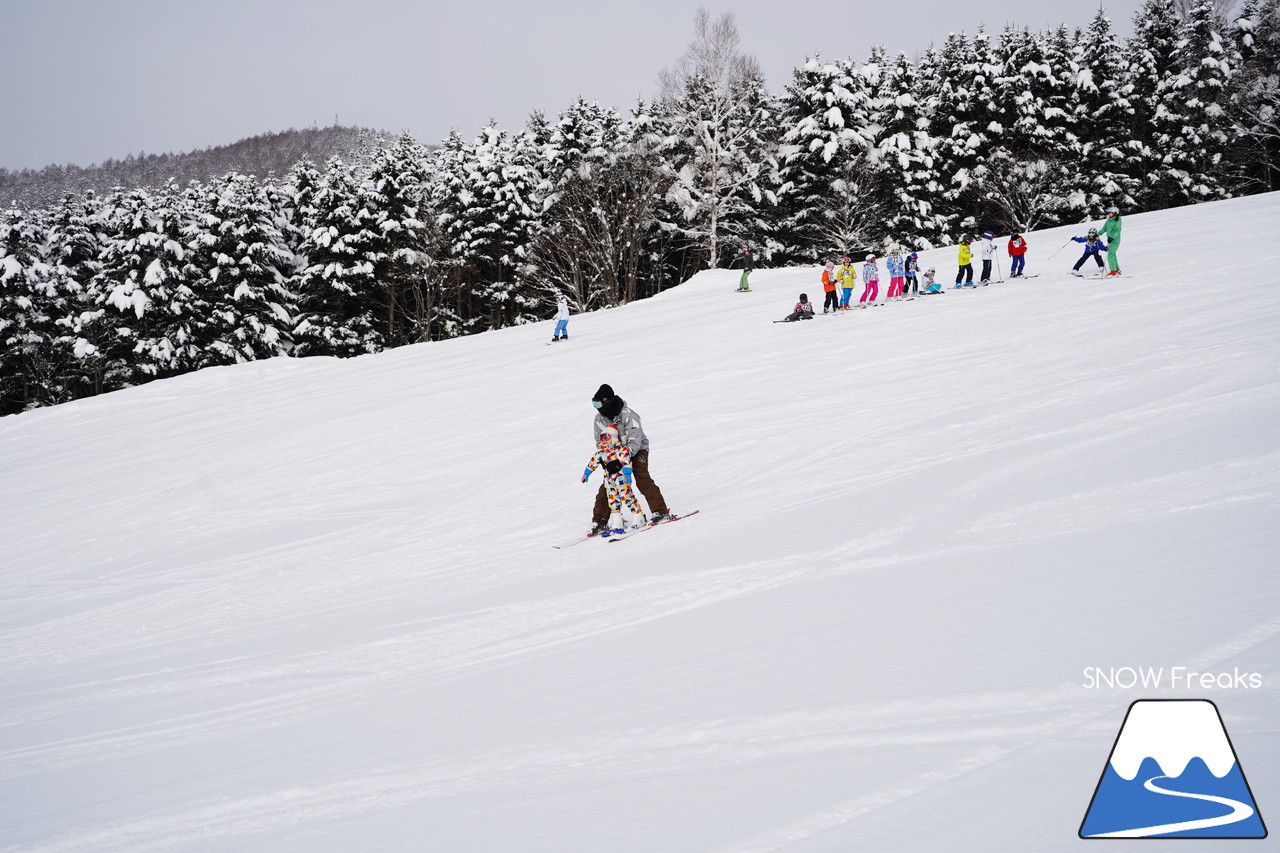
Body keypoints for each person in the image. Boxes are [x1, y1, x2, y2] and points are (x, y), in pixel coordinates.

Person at [589, 384, 671, 534]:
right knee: (608, 485)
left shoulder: (628, 415)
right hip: (614, 454)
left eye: (598, 404)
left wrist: (621, 459)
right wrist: (604, 457)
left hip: (637, 450)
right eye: (594, 404)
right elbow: (599, 441)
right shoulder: (599, 419)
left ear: (607, 402)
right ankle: (599, 521)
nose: (596, 407)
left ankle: (661, 511)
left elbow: (635, 439)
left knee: (641, 477)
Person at [582, 425, 645, 534]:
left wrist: (628, 477)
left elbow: (627, 463)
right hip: (609, 481)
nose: (603, 440)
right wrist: (586, 474)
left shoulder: (620, 450)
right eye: (601, 437)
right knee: (613, 500)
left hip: (621, 479)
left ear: (614, 438)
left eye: (606, 437)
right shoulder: (601, 452)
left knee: (627, 497)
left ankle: (638, 516)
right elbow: (593, 463)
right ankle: (617, 521)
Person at [1098, 206, 1122, 276]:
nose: (1109, 214)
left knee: (1110, 255)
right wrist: (1097, 234)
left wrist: (1112, 237)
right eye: (1109, 213)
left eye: (1110, 213)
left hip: (1115, 240)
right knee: (1112, 254)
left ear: (1115, 213)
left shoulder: (1117, 220)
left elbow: (1117, 231)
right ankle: (1117, 269)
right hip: (1110, 241)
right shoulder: (1109, 220)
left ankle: (1113, 271)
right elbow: (1104, 229)